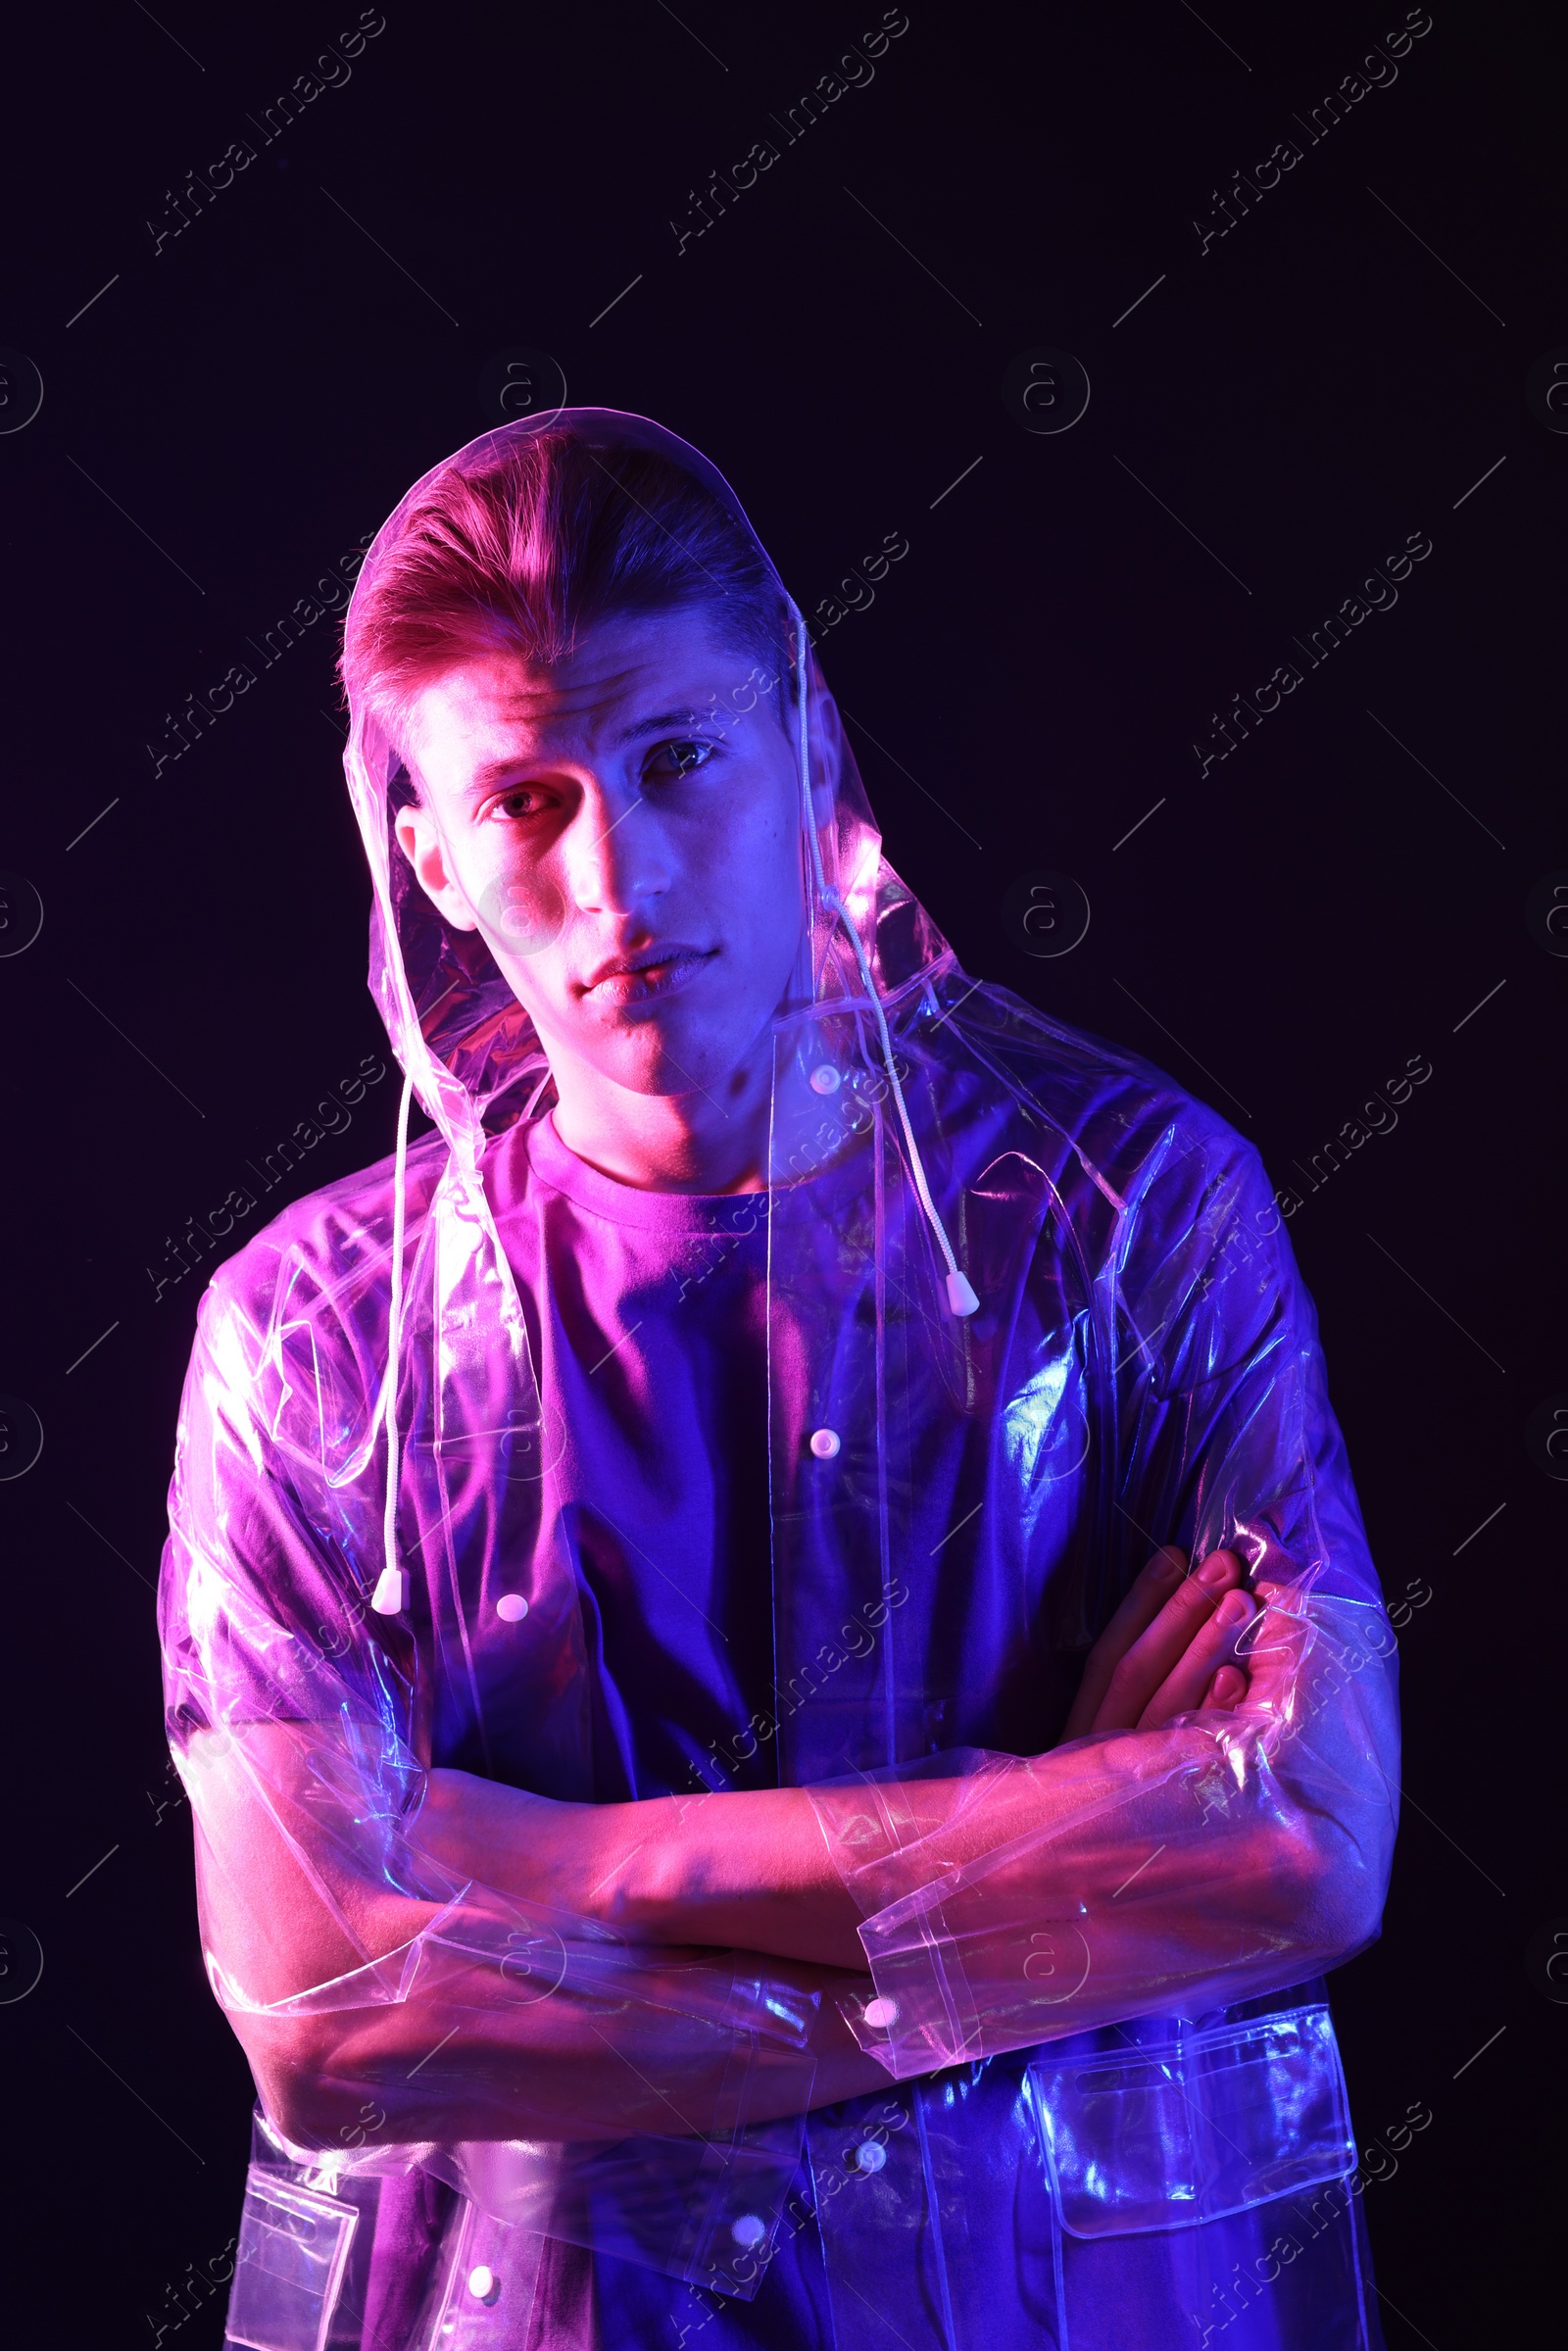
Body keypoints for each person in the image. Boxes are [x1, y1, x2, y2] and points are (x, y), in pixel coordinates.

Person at [158, 412, 1400, 2351]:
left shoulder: (1128, 1220)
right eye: (528, 803)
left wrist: (570, 1864)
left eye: (676, 762)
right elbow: (328, 2021)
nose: (621, 876)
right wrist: (1064, 1851)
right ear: (428, 853)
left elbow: (1302, 1840)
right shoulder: (318, 1342)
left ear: (805, 743)